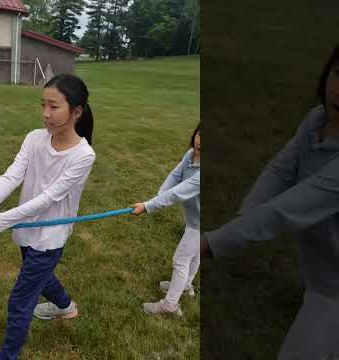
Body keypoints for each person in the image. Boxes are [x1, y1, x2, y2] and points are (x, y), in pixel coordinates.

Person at [201, 45, 339, 359]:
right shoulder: (317, 120)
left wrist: (210, 243)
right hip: (323, 279)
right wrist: (242, 219)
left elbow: (284, 212)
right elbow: (281, 169)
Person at [0, 74, 96, 359]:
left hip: (50, 236)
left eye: (54, 107)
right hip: (28, 228)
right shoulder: (34, 138)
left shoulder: (83, 156)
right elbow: (11, 177)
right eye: (43, 105)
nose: (45, 114)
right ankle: (66, 306)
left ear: (76, 111)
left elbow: (48, 198)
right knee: (37, 272)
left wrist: (1, 221)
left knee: (20, 299)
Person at [132, 124, 200, 316]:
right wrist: (158, 197)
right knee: (194, 255)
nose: (200, 142)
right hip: (195, 221)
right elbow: (175, 176)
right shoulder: (190, 156)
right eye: (200, 135)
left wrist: (148, 205)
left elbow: (179, 193)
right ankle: (185, 285)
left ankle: (170, 305)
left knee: (181, 259)